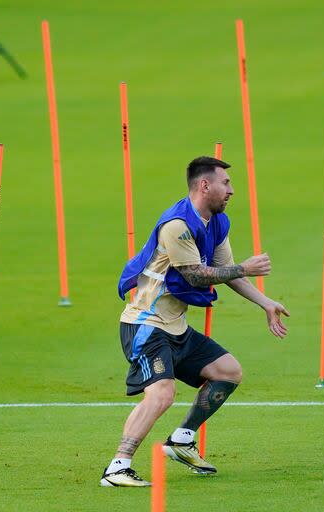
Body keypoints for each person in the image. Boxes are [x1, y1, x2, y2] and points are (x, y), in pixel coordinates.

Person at [100, 156, 290, 487]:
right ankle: (117, 467)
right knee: (162, 394)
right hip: (146, 325)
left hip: (175, 327)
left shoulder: (216, 222)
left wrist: (266, 303)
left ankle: (182, 440)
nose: (231, 190)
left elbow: (225, 271)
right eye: (226, 183)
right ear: (205, 185)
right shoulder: (177, 225)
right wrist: (246, 267)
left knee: (228, 372)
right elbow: (197, 275)